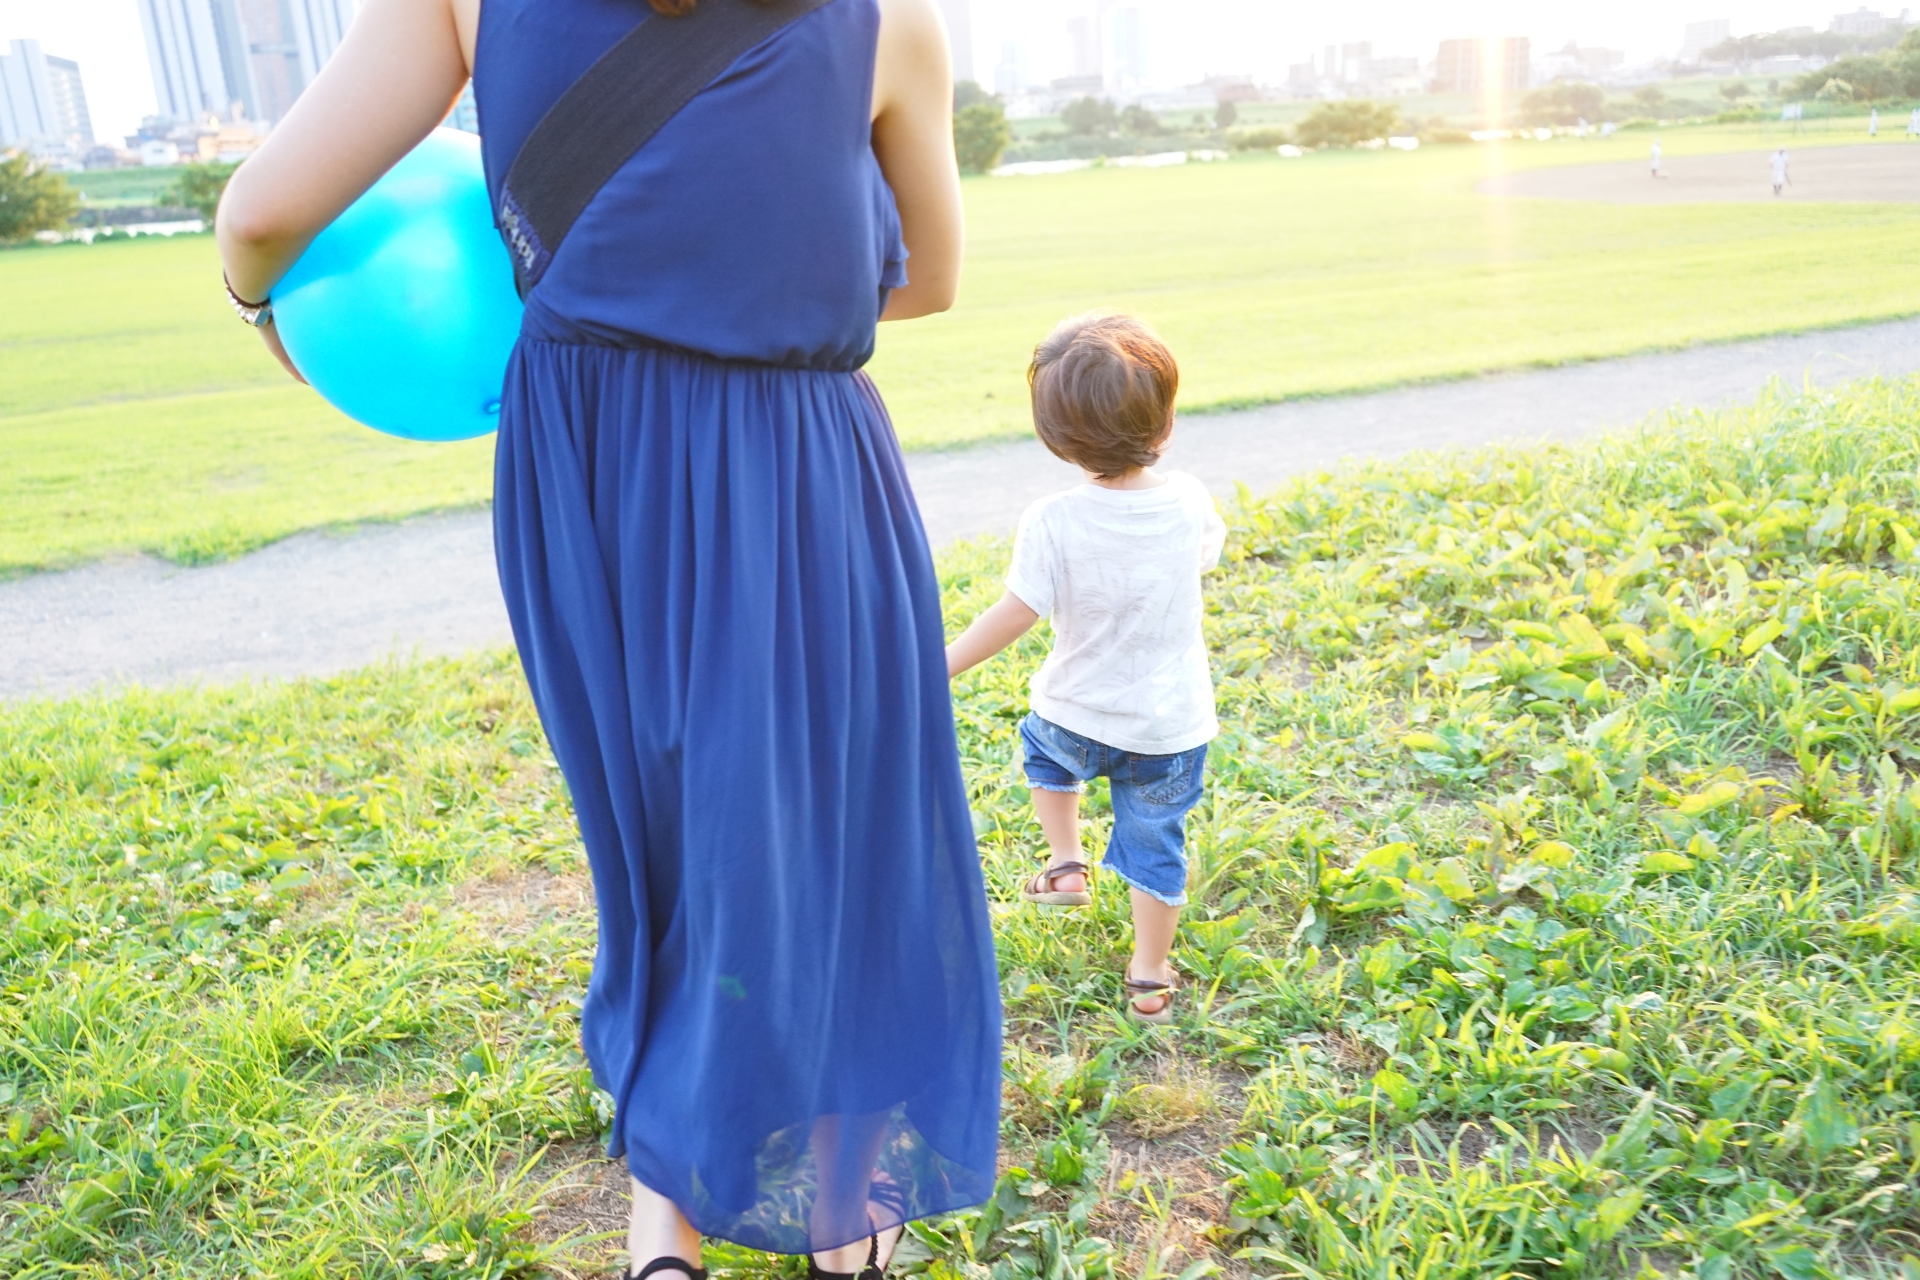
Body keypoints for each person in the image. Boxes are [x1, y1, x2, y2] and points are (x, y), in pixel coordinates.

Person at [213, 1, 1003, 1278]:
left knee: (655, 830)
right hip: (796, 458)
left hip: (591, 459)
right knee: (834, 823)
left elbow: (259, 218)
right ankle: (848, 1215)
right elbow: (931, 278)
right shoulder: (890, 17)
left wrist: (263, 310)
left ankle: (664, 1225)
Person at [945, 314, 1225, 1025]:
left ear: (1057, 440)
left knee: (1044, 752)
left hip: (1075, 713)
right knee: (1155, 846)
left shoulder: (1052, 518)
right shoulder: (1189, 501)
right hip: (1170, 729)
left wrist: (937, 666)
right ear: (1164, 425)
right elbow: (1203, 560)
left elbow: (1016, 612)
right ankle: (1150, 977)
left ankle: (1065, 860)